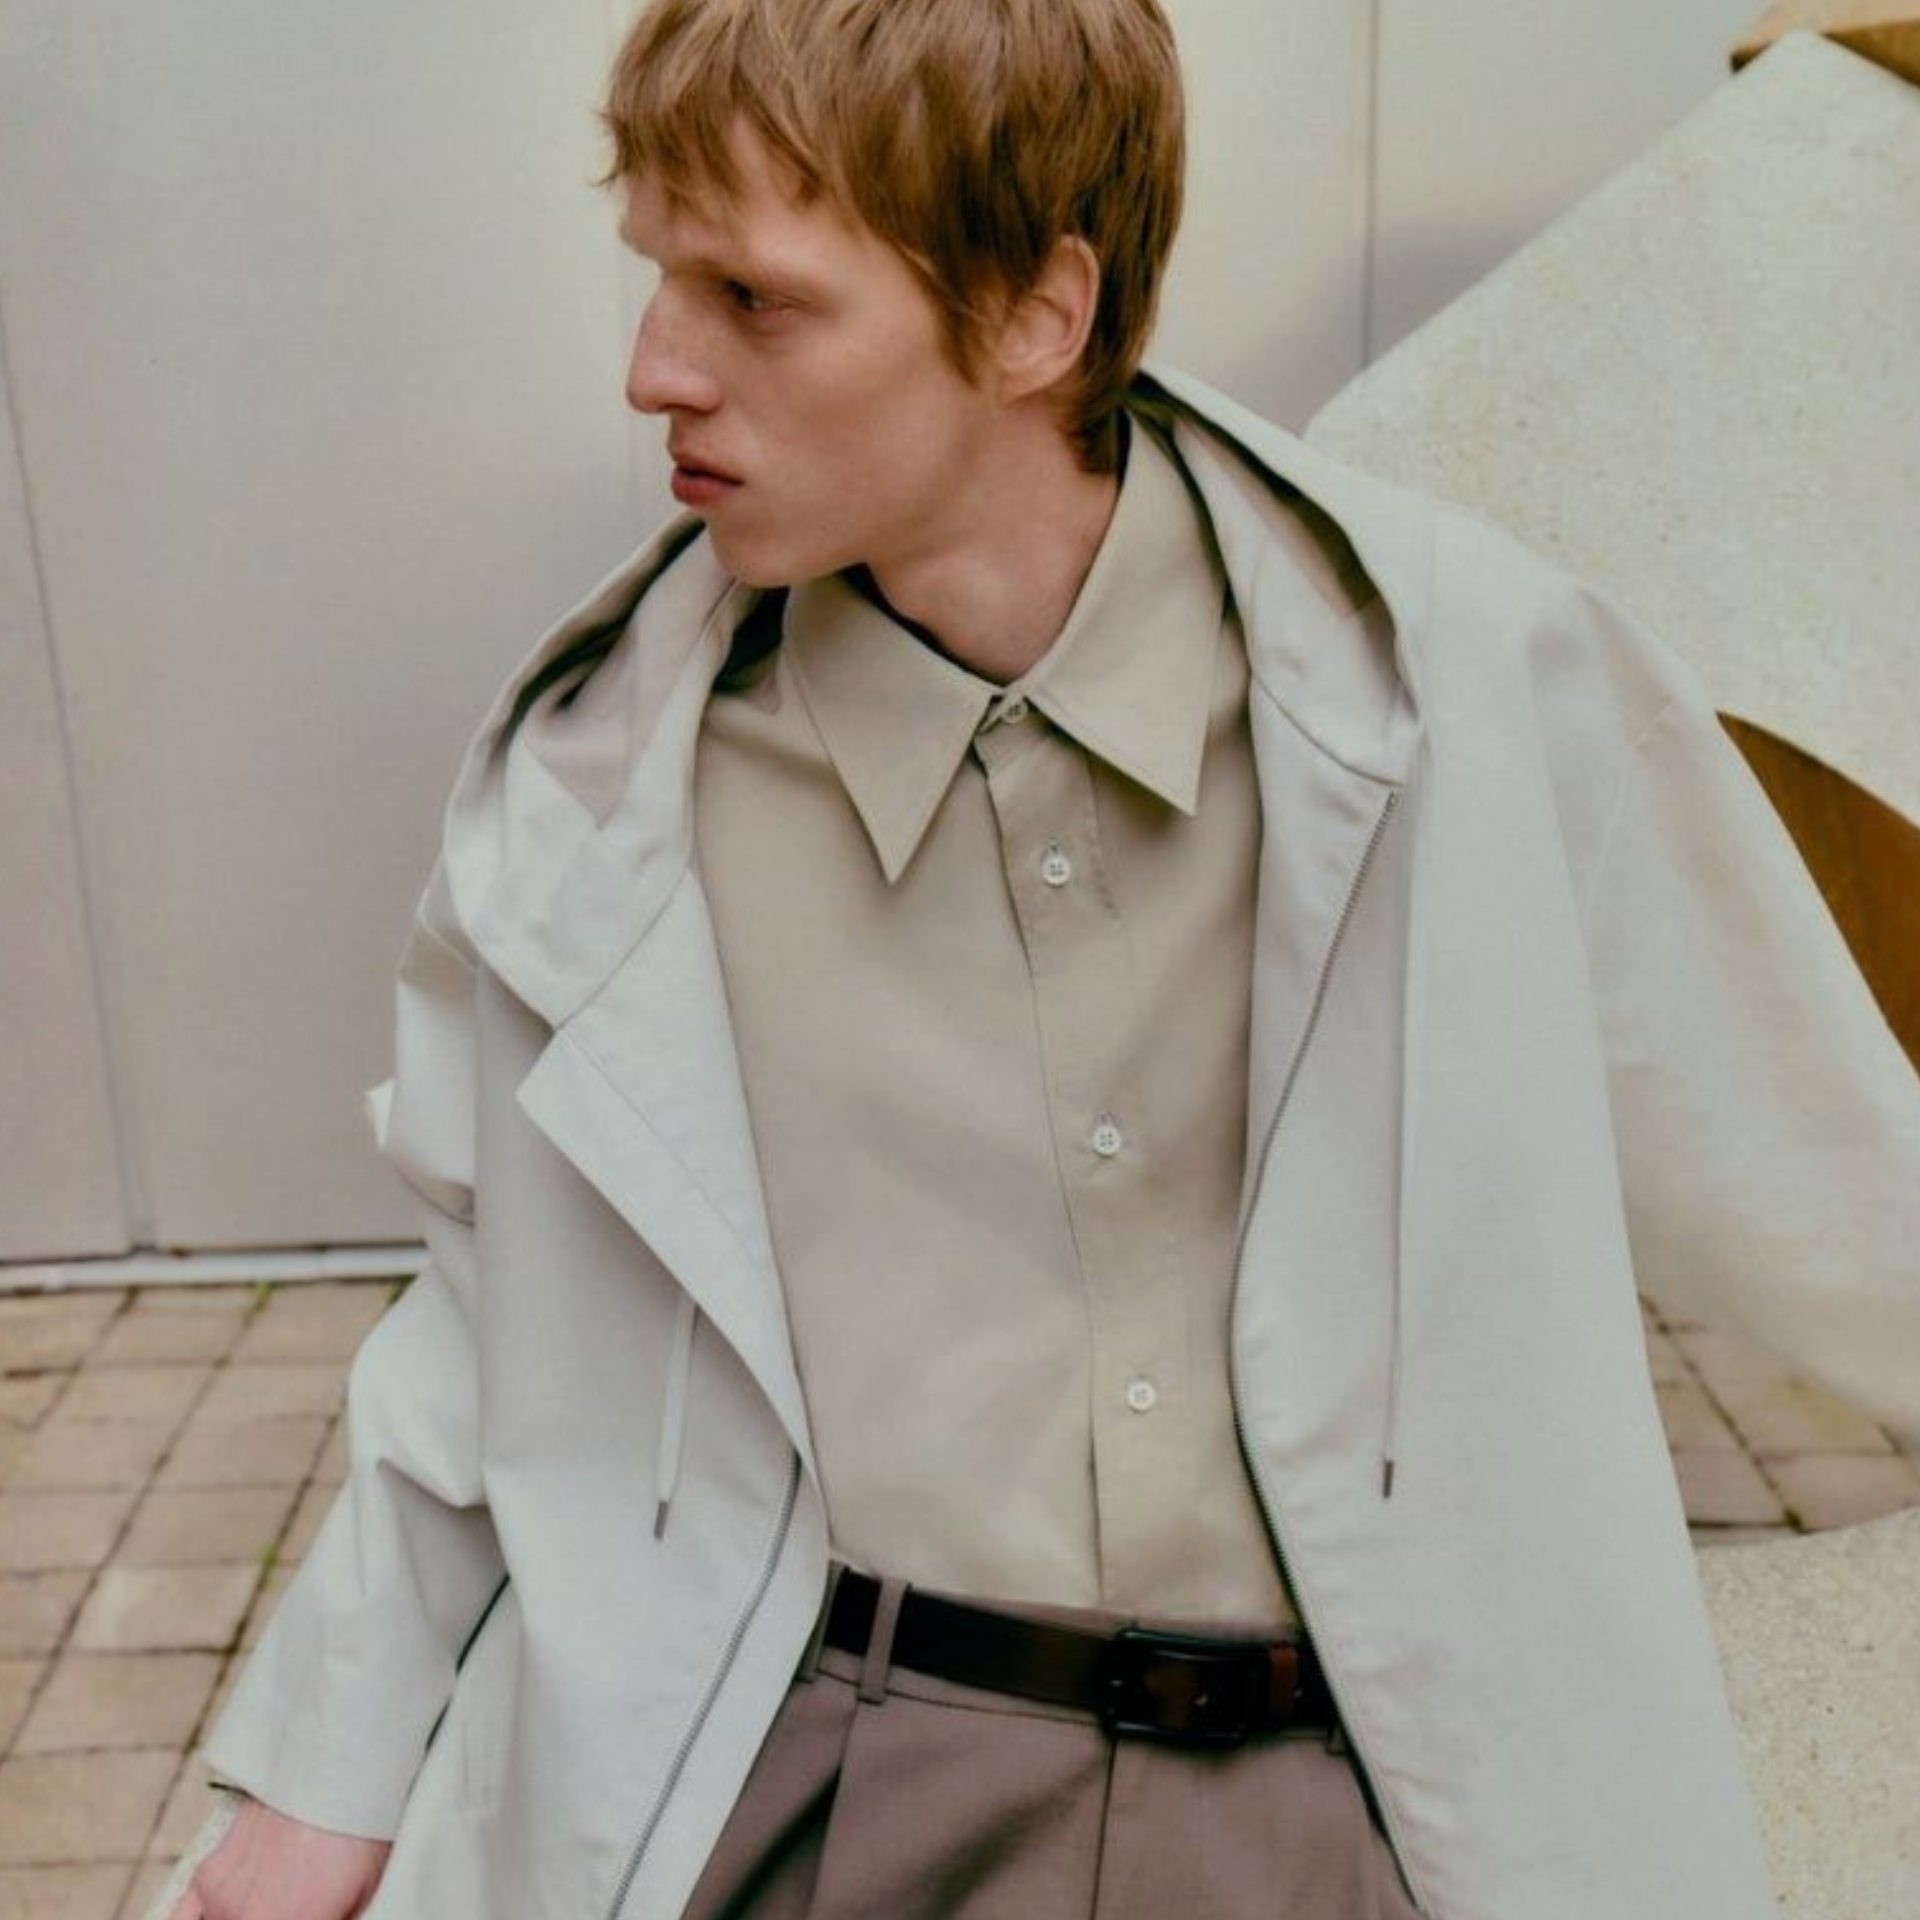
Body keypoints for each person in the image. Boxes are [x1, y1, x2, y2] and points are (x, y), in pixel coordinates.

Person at [172, 1, 1920, 1915]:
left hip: (1377, 1796)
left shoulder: (1472, 686)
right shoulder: (601, 803)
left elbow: (1828, 1185)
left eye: (753, 298)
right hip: (830, 1788)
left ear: (1033, 317)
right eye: (658, 274)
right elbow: (494, 1310)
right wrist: (321, 1786)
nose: (655, 368)